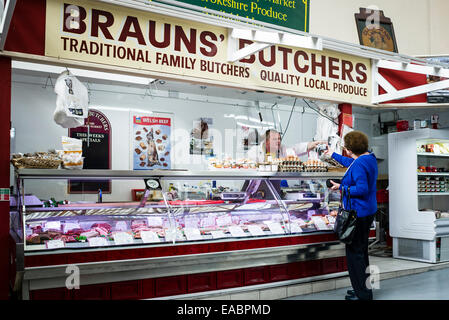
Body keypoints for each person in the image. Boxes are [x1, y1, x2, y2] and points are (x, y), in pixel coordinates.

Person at [324, 131, 378, 301]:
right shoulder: (368, 158)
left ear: (348, 149)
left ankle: (362, 295)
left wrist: (340, 187)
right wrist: (331, 155)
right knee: (362, 252)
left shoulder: (360, 164)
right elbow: (351, 164)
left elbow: (361, 189)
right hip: (367, 211)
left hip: (358, 213)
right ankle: (364, 290)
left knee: (355, 255)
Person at [247, 129, 325, 163]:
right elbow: (251, 167)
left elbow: (298, 148)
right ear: (267, 141)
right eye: (275, 139)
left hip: (275, 185)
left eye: (279, 139)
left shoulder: (282, 149)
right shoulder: (255, 151)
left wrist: (314, 144)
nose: (278, 141)